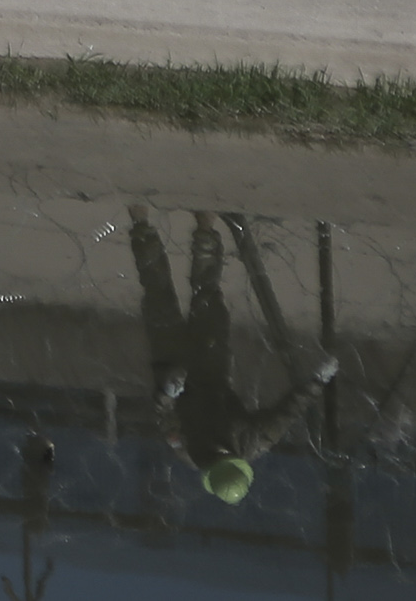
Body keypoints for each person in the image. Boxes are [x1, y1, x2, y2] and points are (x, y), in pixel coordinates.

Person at [128, 204, 336, 504]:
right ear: (237, 461)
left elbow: (163, 416)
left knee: (158, 294)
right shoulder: (255, 441)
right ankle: (206, 228)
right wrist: (318, 381)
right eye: (222, 456)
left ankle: (141, 224)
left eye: (214, 459)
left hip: (171, 366)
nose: (217, 452)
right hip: (212, 367)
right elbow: (288, 412)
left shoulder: (188, 450)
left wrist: (168, 394)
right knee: (208, 294)